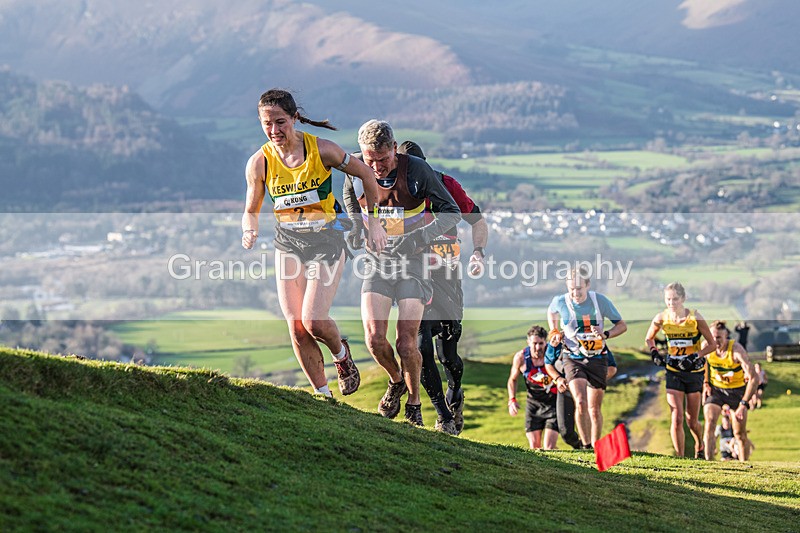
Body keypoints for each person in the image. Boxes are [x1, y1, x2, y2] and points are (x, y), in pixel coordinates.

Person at [241, 89, 388, 398]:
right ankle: (323, 396)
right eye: (266, 124)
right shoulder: (259, 163)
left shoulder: (322, 150)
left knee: (314, 320)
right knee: (296, 327)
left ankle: (341, 356)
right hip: (288, 244)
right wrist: (249, 231)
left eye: (280, 122)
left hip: (326, 240)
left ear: (295, 118)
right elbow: (250, 211)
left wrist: (373, 222)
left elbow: (366, 175)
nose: (274, 131)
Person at [343, 120, 461, 426]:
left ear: (394, 149)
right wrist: (357, 227)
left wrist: (419, 238)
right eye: (371, 161)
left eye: (383, 160)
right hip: (378, 264)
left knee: (407, 343)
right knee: (373, 339)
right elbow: (349, 198)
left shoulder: (417, 170)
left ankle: (414, 404)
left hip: (414, 264)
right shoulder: (355, 168)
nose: (377, 167)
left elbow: (452, 212)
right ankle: (395, 380)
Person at [396, 140, 488, 435]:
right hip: (415, 276)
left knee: (447, 354)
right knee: (419, 345)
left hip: (447, 276)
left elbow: (477, 220)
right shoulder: (394, 190)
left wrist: (478, 252)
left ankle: (455, 392)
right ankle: (443, 415)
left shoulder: (445, 184)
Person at [546, 265, 627, 448]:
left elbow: (622, 325)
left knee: (594, 408)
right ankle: (586, 445)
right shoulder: (561, 301)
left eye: (579, 288)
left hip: (597, 358)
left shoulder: (600, 301)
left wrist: (605, 334)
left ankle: (597, 445)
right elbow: (551, 311)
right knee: (580, 402)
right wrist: (554, 330)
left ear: (588, 285)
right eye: (571, 288)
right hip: (572, 357)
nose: (575, 293)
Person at [644, 282, 716, 459]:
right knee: (676, 416)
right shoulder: (662, 317)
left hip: (693, 373)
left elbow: (712, 344)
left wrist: (695, 356)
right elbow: (649, 338)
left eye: (675, 299)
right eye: (668, 299)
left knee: (691, 421)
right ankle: (680, 457)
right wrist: (654, 352)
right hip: (673, 370)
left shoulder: (695, 317)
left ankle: (699, 443)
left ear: (683, 299)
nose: (671, 303)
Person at [544, 331, 618, 450]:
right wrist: (558, 379)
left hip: (588, 389)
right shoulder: (558, 342)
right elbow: (548, 364)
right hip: (566, 391)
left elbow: (612, 367)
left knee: (592, 411)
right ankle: (580, 447)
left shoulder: (593, 341)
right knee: (565, 432)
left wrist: (594, 380)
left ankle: (592, 447)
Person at [702, 320, 759, 462]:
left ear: (726, 336)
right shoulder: (706, 347)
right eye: (712, 337)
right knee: (709, 422)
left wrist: (743, 404)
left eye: (719, 338)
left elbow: (754, 378)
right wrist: (706, 383)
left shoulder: (736, 350)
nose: (715, 341)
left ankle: (744, 465)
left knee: (739, 433)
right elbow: (701, 365)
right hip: (717, 390)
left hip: (737, 392)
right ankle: (709, 464)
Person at [508, 326, 560, 449]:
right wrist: (512, 400)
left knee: (549, 447)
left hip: (553, 403)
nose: (537, 347)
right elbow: (513, 379)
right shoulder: (521, 358)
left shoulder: (553, 354)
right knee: (535, 447)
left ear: (545, 342)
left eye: (541, 343)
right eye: (534, 343)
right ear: (528, 342)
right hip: (533, 404)